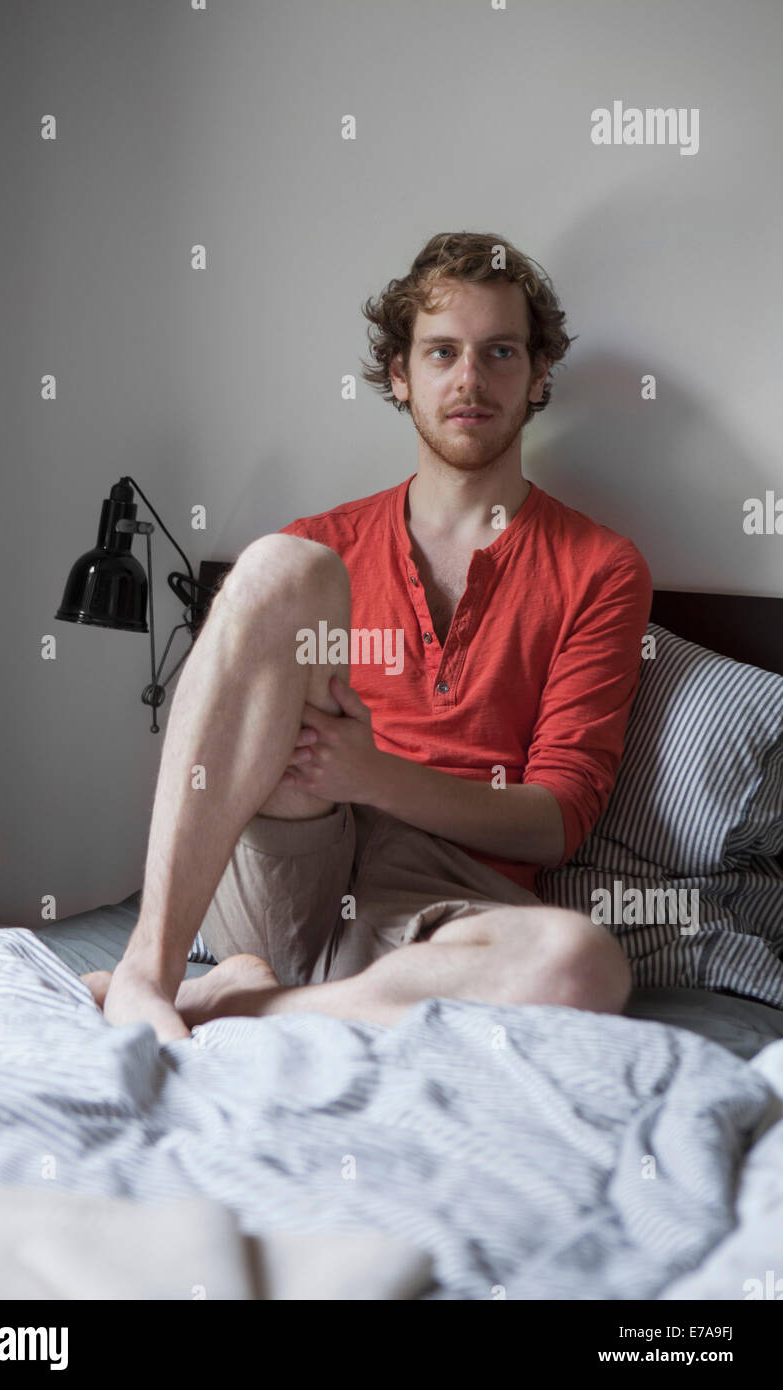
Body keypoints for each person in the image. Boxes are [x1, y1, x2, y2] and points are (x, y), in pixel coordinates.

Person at [87, 230, 652, 1043]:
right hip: (294, 854)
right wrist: (336, 781)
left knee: (585, 965)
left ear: (537, 379)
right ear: (400, 374)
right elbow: (233, 744)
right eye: (441, 352)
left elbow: (556, 820)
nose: (469, 379)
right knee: (285, 566)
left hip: (447, 908)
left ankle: (244, 1005)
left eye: (499, 352)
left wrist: (375, 775)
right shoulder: (321, 546)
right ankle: (151, 971)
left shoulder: (601, 567)